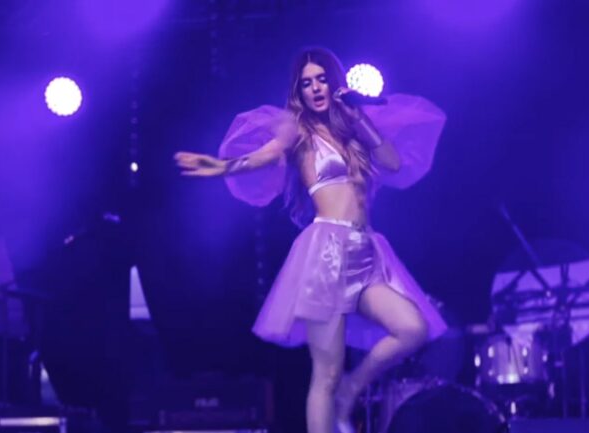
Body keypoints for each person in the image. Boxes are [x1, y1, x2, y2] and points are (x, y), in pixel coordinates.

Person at [175, 47, 447, 433]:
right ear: (299, 92)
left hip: (367, 251)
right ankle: (338, 396)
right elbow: (263, 157)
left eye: (321, 79)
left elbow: (393, 164)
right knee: (326, 372)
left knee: (412, 329)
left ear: (334, 83)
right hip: (327, 253)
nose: (315, 88)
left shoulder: (354, 127)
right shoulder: (298, 131)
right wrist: (221, 167)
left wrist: (357, 117)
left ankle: (352, 388)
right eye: (307, 83)